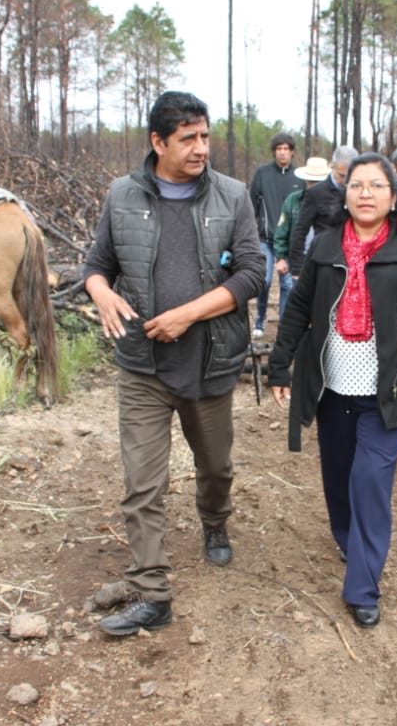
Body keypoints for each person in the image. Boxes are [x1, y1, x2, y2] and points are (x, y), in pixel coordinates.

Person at [83, 91, 266, 636]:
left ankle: (214, 523)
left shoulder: (232, 196)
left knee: (216, 469)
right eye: (188, 138)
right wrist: (100, 293)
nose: (201, 148)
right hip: (142, 365)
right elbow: (97, 263)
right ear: (157, 142)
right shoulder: (122, 196)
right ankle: (152, 591)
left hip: (209, 363)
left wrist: (187, 314)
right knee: (143, 484)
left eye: (205, 137)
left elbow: (254, 274)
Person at [268, 153, 397, 628]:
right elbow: (299, 308)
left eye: (376, 185)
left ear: (394, 196)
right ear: (345, 193)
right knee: (337, 478)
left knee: (369, 481)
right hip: (332, 388)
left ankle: (363, 584)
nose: (366, 193)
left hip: (389, 390)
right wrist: (279, 366)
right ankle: (351, 541)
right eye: (357, 185)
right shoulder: (326, 245)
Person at [249, 133, 305, 338]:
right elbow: (251, 204)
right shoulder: (262, 173)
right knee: (263, 280)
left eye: (286, 149)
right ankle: (259, 321)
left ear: (292, 152)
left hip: (291, 242)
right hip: (265, 237)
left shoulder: (299, 177)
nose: (282, 152)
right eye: (278, 148)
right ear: (274, 151)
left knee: (287, 284)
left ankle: (284, 324)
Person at [273, 156, 331, 318]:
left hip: (323, 260)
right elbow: (281, 232)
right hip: (296, 259)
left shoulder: (336, 203)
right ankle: (286, 335)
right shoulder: (293, 201)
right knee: (291, 296)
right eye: (311, 181)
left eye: (318, 182)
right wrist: (280, 257)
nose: (314, 186)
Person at [289, 145, 358, 277]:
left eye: (350, 175)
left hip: (353, 259)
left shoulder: (360, 192)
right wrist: (297, 268)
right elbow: (300, 229)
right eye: (341, 175)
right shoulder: (316, 193)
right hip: (325, 260)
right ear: (332, 167)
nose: (345, 180)